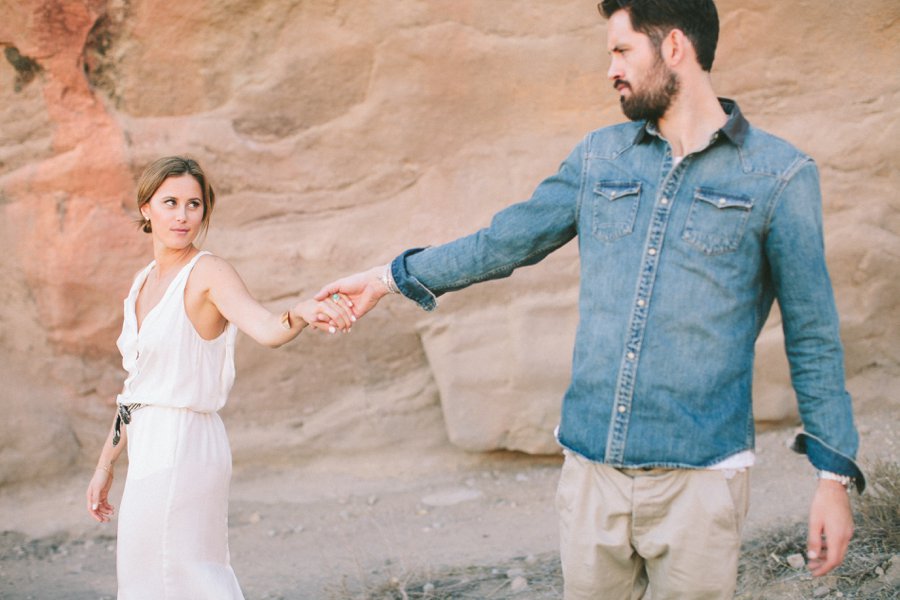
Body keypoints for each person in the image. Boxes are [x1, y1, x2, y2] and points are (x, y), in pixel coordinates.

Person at [315, 1, 865, 598]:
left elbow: (812, 333)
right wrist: (388, 277)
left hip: (700, 481)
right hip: (591, 472)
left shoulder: (779, 175)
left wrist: (832, 478)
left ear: (674, 47)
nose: (611, 69)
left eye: (622, 51)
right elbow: (503, 242)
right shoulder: (600, 157)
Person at [85, 156, 354, 599]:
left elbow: (266, 328)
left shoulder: (208, 272)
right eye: (170, 202)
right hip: (150, 445)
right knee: (147, 578)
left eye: (194, 204)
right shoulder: (142, 282)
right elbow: (135, 391)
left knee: (184, 576)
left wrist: (301, 312)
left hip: (186, 440)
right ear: (146, 207)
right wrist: (105, 465)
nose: (183, 215)